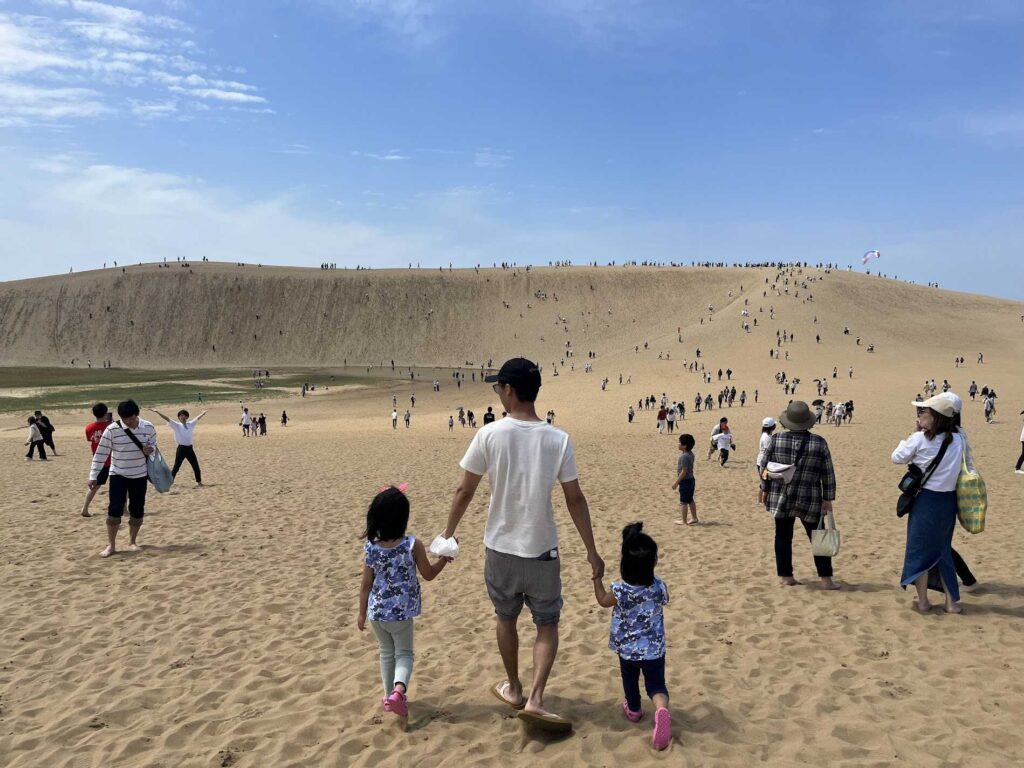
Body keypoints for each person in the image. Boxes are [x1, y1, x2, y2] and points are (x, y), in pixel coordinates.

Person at [440, 357, 603, 732]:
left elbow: (465, 489)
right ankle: (536, 697)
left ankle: (513, 687)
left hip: (500, 547)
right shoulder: (557, 438)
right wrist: (592, 551)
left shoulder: (490, 434)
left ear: (509, 390)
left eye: (499, 387)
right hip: (542, 548)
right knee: (546, 623)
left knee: (505, 617)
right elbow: (575, 499)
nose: (499, 393)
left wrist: (448, 533)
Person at [358, 485, 452, 718]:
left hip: (376, 612)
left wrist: (361, 613)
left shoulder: (371, 547)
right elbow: (428, 574)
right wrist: (443, 560)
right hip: (400, 613)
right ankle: (399, 692)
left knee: (386, 653)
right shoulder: (411, 544)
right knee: (405, 654)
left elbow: (365, 585)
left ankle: (388, 695)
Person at [592, 523, 672, 751]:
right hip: (654, 649)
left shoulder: (620, 590)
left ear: (624, 565)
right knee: (656, 684)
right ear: (653, 563)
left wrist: (597, 579)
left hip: (627, 649)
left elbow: (602, 600)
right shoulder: (659, 587)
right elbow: (667, 597)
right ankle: (661, 710)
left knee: (630, 681)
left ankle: (635, 710)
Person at [891, 395, 964, 614]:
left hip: (925, 501)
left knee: (919, 550)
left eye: (923, 412)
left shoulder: (920, 439)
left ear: (936, 417)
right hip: (949, 501)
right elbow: (967, 464)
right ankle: (951, 602)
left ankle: (923, 602)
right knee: (942, 550)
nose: (919, 415)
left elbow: (896, 457)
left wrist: (914, 434)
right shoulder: (960, 438)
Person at [760, 401, 839, 590]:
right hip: (810, 498)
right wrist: (828, 498)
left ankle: (786, 576)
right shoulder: (819, 442)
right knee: (818, 536)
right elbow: (827, 473)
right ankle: (826, 579)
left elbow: (763, 467)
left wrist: (764, 487)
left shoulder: (776, 439)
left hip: (782, 497)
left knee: (783, 536)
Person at [88, 399, 157, 558]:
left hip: (140, 474)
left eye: (131, 418)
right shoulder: (111, 430)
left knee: (137, 509)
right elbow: (100, 454)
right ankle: (111, 545)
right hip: (118, 474)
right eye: (124, 419)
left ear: (137, 414)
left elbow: (154, 444)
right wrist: (93, 476)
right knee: (114, 510)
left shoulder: (148, 427)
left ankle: (132, 541)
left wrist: (151, 448)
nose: (128, 421)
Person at [149, 408, 207, 487]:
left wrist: (203, 413)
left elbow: (197, 418)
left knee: (195, 466)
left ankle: (199, 482)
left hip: (190, 449)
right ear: (179, 417)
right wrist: (157, 412)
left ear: (187, 417)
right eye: (180, 415)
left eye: (184, 415)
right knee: (176, 466)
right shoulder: (176, 425)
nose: (182, 417)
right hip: (181, 449)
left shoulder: (190, 424)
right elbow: (166, 418)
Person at [82, 403, 112, 516]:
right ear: (106, 413)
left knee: (95, 486)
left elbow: (90, 439)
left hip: (98, 461)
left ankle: (85, 508)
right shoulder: (111, 426)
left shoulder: (89, 428)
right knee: (122, 486)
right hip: (111, 460)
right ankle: (124, 508)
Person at [671, 434, 697, 525]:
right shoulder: (690, 454)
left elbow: (684, 471)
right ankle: (694, 518)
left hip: (685, 481)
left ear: (684, 446)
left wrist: (676, 483)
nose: (678, 444)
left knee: (683, 502)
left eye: (679, 443)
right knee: (690, 500)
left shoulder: (684, 456)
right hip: (691, 480)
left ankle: (684, 521)